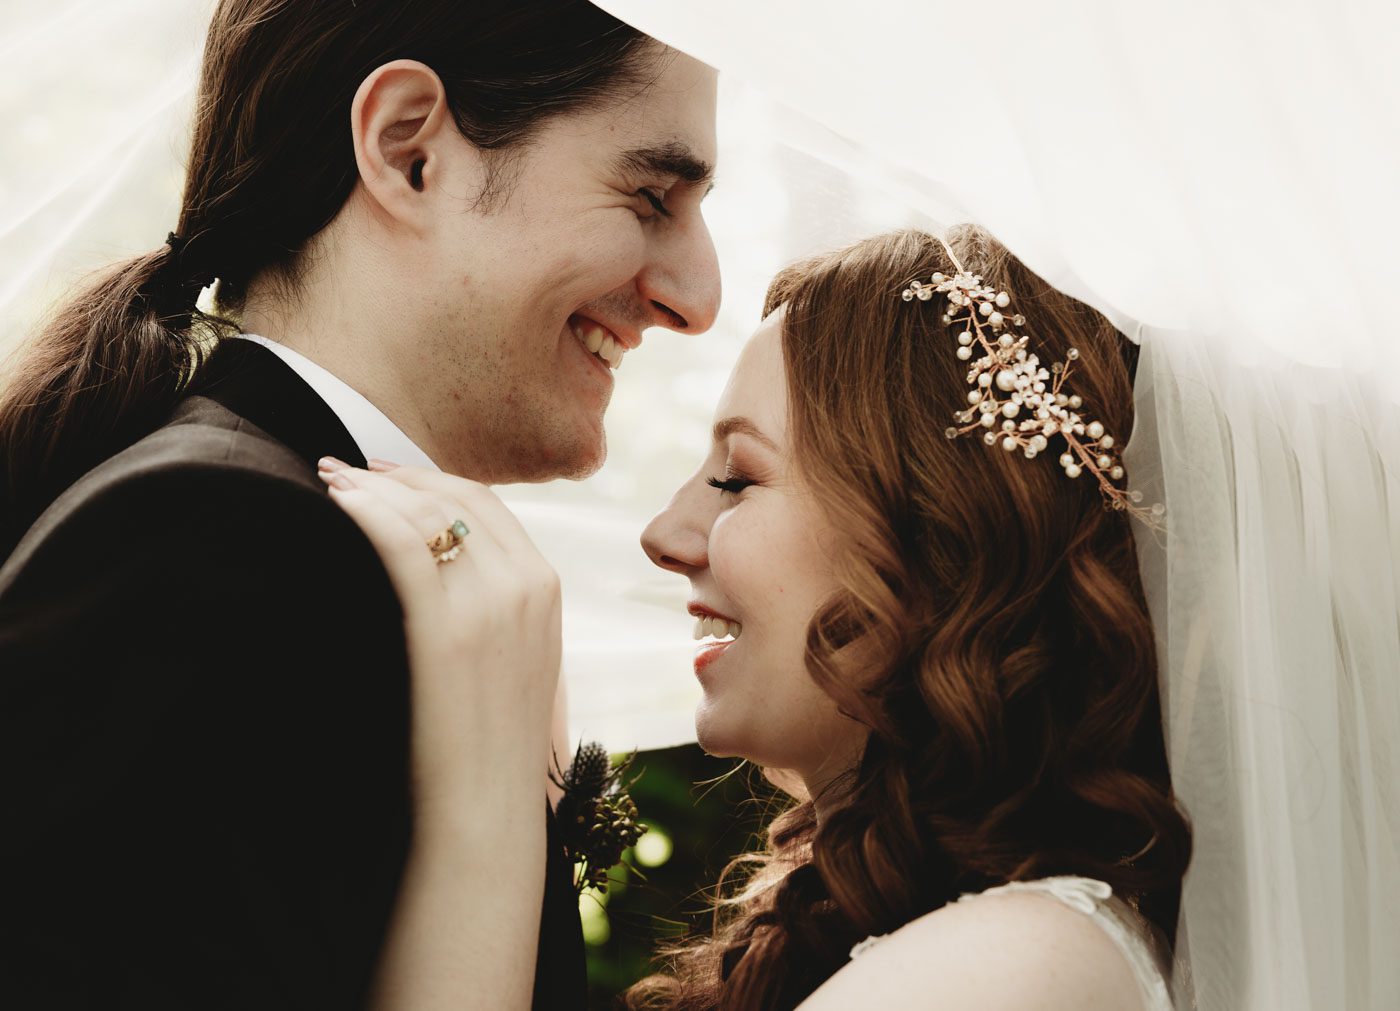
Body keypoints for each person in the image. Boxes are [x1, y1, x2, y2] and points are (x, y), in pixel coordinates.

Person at [0, 1, 719, 1007]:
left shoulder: (329, 555)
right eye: (650, 196)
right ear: (408, 149)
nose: (700, 295)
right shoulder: (214, 548)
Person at [324, 226, 1193, 1009]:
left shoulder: (1020, 963)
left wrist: (484, 805)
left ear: (942, 536)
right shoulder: (926, 931)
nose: (666, 535)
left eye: (737, 476)